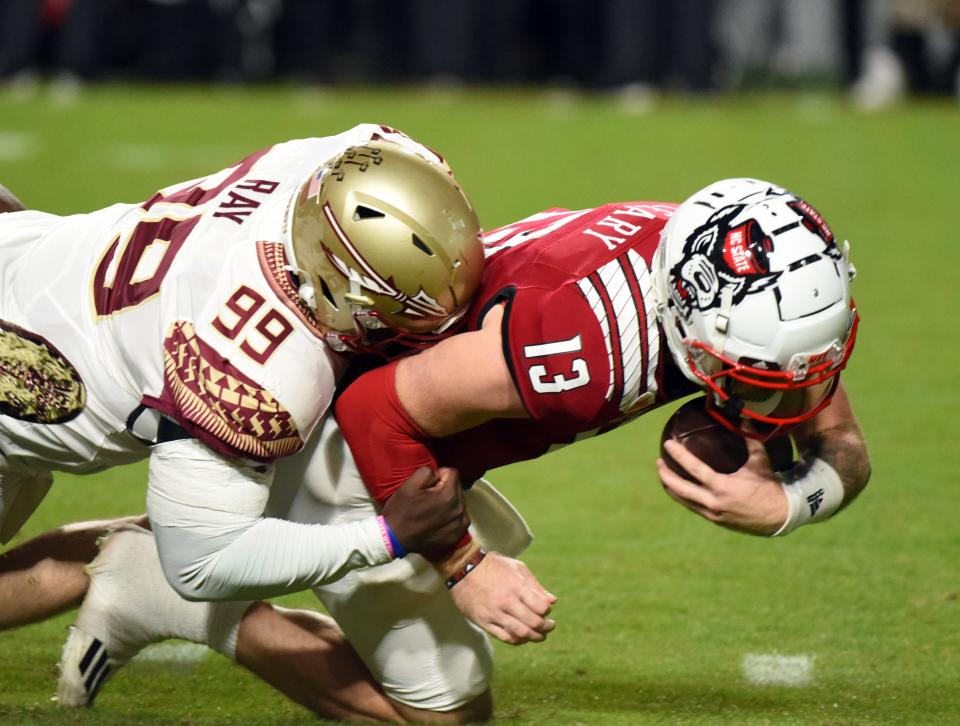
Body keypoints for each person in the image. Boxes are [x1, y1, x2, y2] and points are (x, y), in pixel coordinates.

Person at [17, 179, 870, 721]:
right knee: (445, 716)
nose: (792, 399)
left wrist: (790, 502)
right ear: (692, 327)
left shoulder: (726, 270)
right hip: (351, 448)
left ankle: (167, 570)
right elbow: (373, 407)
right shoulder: (584, 351)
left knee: (177, 545)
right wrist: (463, 564)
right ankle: (183, 603)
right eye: (755, 378)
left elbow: (842, 439)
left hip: (401, 416)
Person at [0, 123, 488, 609]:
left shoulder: (356, 159)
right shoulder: (252, 369)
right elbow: (202, 563)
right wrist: (388, 536)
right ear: (339, 289)